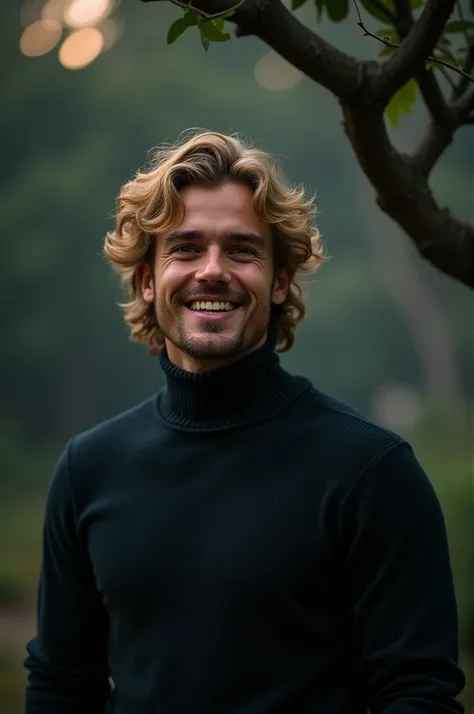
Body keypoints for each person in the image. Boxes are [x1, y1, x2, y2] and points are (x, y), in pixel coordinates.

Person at [24, 130, 465, 714]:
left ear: (279, 280)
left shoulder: (370, 472)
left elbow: (419, 696)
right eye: (184, 248)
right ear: (147, 279)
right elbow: (60, 684)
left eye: (241, 250)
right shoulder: (89, 468)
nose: (212, 271)